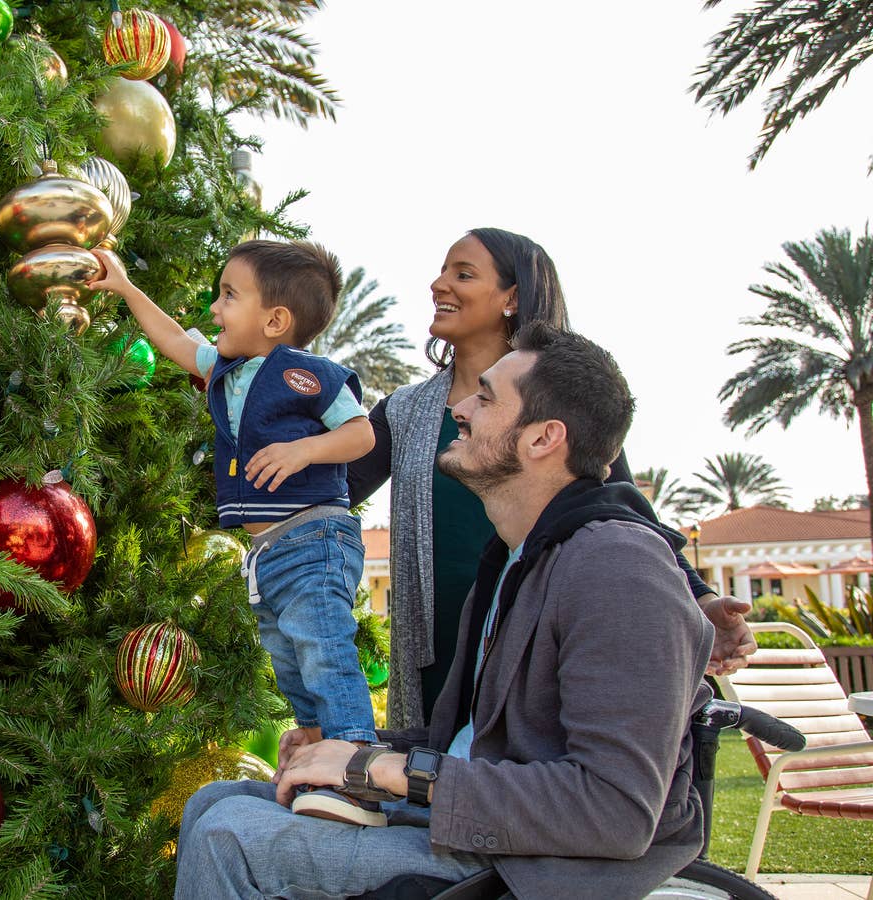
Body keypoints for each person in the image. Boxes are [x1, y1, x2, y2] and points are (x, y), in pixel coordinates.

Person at [174, 324, 715, 900]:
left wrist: (381, 772)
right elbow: (479, 742)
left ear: (542, 439)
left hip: (531, 861)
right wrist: (356, 747)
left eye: (485, 399)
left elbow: (615, 811)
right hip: (471, 825)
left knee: (227, 835)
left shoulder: (618, 568)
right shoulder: (518, 558)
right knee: (214, 800)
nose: (458, 408)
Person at [346, 227, 754, 729]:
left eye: (463, 273)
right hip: (442, 647)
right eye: (442, 270)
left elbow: (623, 511)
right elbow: (327, 489)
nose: (438, 284)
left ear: (512, 297)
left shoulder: (565, 405)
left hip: (541, 636)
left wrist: (702, 599)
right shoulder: (404, 413)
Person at [90, 241, 384, 826]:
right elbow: (175, 340)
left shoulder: (310, 376)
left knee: (323, 648)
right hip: (269, 551)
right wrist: (124, 287)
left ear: (275, 320)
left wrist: (306, 450)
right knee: (291, 660)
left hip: (314, 537)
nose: (216, 308)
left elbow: (360, 436)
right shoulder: (226, 372)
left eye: (229, 296)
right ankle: (317, 756)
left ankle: (358, 776)